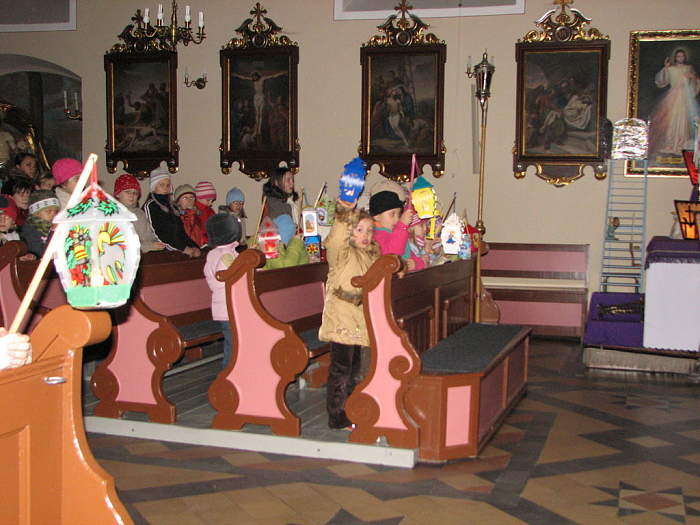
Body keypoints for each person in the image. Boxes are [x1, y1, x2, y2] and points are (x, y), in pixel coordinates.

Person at [319, 195, 379, 430]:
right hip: (341, 319)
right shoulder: (341, 254)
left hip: (360, 320)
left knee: (355, 370)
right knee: (341, 370)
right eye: (359, 230)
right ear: (350, 232)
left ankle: (352, 409)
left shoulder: (371, 255)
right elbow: (335, 239)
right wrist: (344, 212)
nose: (365, 235)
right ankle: (337, 416)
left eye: (369, 231)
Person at [203, 213, 243, 368]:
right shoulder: (225, 254)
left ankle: (232, 369)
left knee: (233, 341)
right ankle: (227, 371)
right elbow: (229, 277)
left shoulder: (216, 253)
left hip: (225, 307)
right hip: (228, 307)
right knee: (233, 343)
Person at [649, 49, 700, 156]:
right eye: (678, 56)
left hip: (684, 98)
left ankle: (681, 143)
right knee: (671, 120)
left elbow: (695, 83)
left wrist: (692, 78)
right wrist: (665, 68)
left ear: (684, 57)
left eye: (682, 56)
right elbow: (662, 81)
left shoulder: (688, 68)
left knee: (683, 120)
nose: (680, 58)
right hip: (672, 97)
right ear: (675, 57)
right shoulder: (671, 69)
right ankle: (671, 144)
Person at [143, 167, 200, 257]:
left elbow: (181, 233)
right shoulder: (150, 206)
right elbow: (157, 234)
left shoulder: (172, 206)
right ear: (153, 187)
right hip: (161, 253)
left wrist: (195, 247)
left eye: (168, 185)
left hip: (177, 249)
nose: (165, 188)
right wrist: (183, 248)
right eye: (161, 185)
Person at [370, 190, 423, 272]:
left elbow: (410, 254)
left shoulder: (397, 232)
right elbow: (392, 255)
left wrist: (417, 263)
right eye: (392, 214)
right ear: (377, 216)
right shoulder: (375, 235)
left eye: (398, 215)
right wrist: (402, 226)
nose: (397, 219)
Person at [113, 173, 165, 253]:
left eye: (135, 193)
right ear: (118, 194)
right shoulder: (114, 214)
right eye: (127, 192)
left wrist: (157, 242)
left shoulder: (140, 213)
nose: (132, 195)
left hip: (146, 254)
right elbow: (120, 245)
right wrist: (148, 246)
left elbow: (149, 235)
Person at [20, 190, 60, 257]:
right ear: (36, 213)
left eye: (56, 212)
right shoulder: (30, 230)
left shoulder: (51, 226)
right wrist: (53, 232)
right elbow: (40, 252)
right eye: (48, 211)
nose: (53, 214)